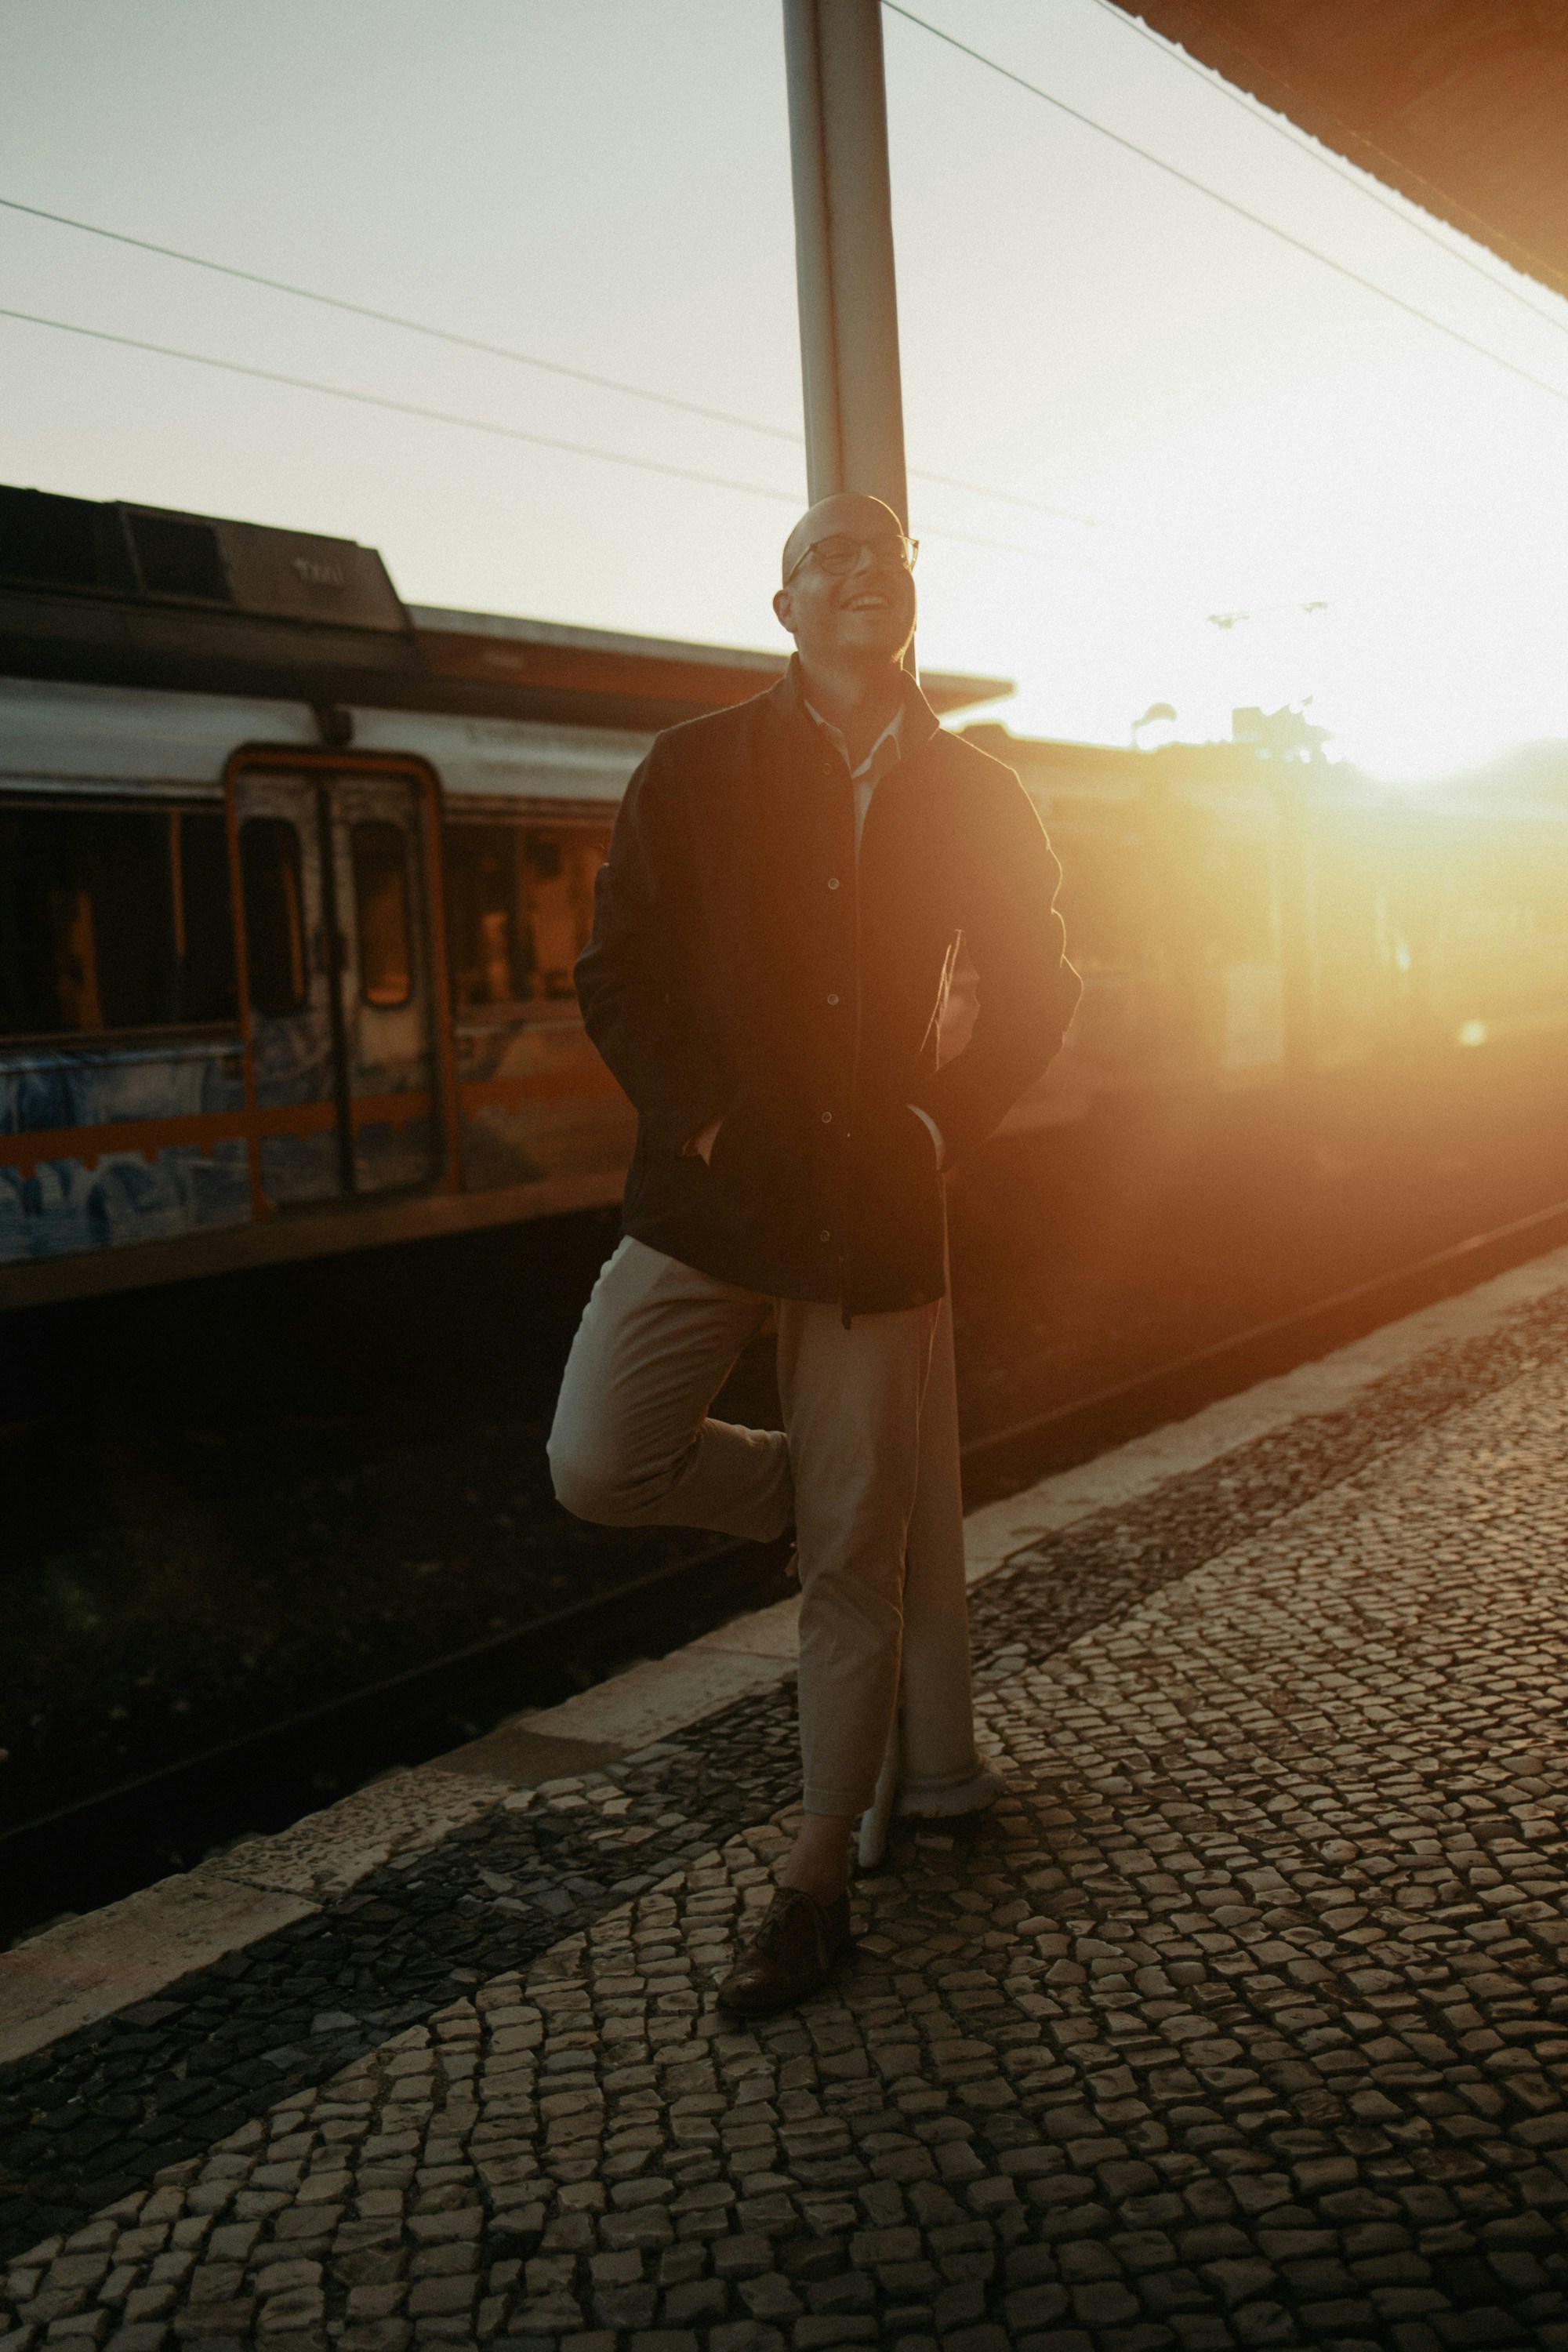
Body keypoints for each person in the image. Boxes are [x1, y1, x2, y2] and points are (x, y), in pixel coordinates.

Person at [547, 492, 1080, 2012]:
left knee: (849, 1572)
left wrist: (940, 1128)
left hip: (875, 1211)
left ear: (911, 598)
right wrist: (705, 1123)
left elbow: (1042, 980)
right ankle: (830, 1495)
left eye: (886, 552)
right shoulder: (692, 766)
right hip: (713, 1193)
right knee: (599, 1460)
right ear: (782, 607)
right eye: (825, 555)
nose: (861, 568)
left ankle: (816, 1874)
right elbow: (616, 967)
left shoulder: (978, 789)